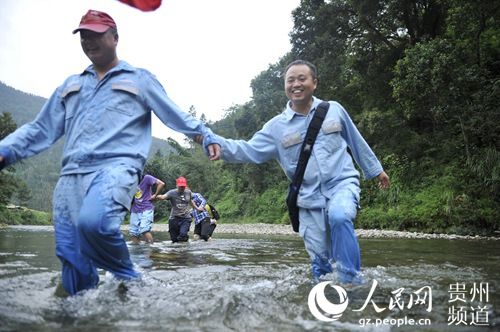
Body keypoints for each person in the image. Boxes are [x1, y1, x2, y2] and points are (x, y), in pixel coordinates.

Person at [0, 9, 220, 296]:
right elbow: (39, 129)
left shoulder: (139, 79)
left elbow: (174, 114)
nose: (89, 41)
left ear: (115, 37)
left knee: (96, 224)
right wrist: (5, 151)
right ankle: (81, 315)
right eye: (84, 36)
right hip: (71, 177)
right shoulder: (71, 85)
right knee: (71, 257)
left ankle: (130, 279)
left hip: (116, 169)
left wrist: (205, 135)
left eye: (96, 34)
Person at [213, 60, 390, 284]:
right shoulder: (276, 127)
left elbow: (355, 140)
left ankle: (352, 282)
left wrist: (375, 170)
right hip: (307, 198)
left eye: (302, 79)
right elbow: (249, 149)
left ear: (314, 83)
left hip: (342, 183)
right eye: (290, 80)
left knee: (340, 215)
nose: (296, 84)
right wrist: (217, 145)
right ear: (285, 86)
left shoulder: (334, 109)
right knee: (320, 262)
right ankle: (323, 305)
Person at [157, 177, 196, 243]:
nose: (182, 188)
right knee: (174, 240)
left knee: (182, 235)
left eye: (183, 186)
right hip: (174, 218)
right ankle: (177, 250)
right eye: (180, 186)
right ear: (177, 185)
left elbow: (190, 201)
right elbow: (163, 197)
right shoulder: (172, 192)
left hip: (185, 218)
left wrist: (197, 208)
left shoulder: (188, 192)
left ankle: (184, 246)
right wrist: (156, 196)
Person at [129, 174, 165, 244]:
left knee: (144, 230)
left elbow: (161, 184)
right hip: (135, 209)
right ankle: (136, 252)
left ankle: (150, 249)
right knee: (133, 233)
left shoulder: (147, 178)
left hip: (146, 208)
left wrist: (155, 195)